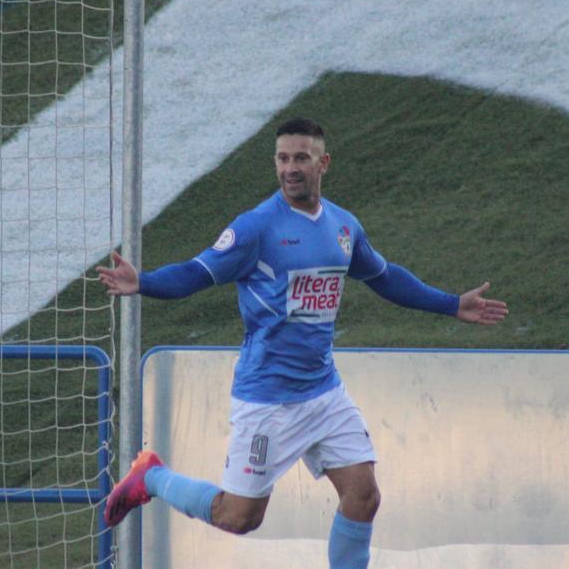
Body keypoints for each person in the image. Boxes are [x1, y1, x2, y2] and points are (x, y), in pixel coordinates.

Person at [98, 117, 508, 568]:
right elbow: (198, 272)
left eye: (301, 158)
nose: (290, 168)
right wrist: (145, 282)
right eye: (283, 158)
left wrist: (451, 304)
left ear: (323, 163)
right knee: (239, 517)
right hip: (268, 402)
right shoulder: (256, 228)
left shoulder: (343, 228)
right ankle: (151, 476)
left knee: (363, 494)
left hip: (324, 393)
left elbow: (385, 277)